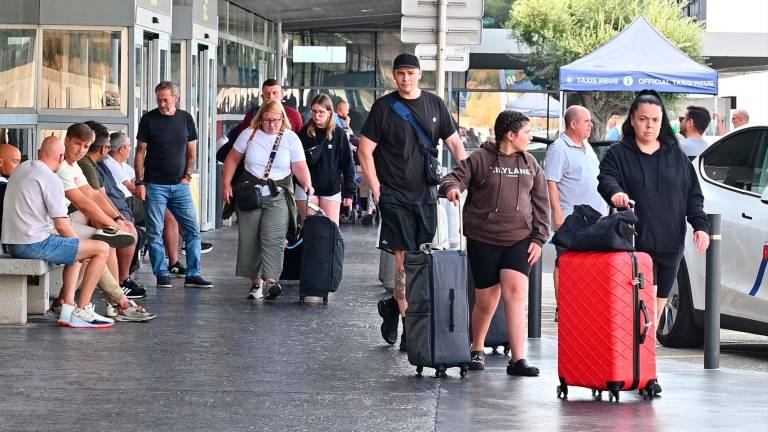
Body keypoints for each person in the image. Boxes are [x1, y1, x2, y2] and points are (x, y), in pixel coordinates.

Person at [598, 90, 710, 394]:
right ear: (632, 121)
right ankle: (636, 372)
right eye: (644, 119)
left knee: (653, 316)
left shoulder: (676, 157)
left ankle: (644, 372)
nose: (649, 125)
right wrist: (615, 194)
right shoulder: (619, 154)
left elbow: (693, 197)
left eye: (656, 120)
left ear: (664, 123)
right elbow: (606, 179)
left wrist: (699, 227)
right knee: (637, 311)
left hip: (670, 245)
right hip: (635, 248)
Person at [358, 53, 466, 350]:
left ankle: (393, 307)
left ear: (419, 74)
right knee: (404, 260)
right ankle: (410, 328)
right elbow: (364, 151)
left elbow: (455, 143)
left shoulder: (435, 105)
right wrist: (377, 189)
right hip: (394, 195)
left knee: (419, 260)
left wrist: (469, 175)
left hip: (426, 196)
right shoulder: (384, 107)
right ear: (394, 76)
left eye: (410, 73)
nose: (405, 78)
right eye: (400, 73)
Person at [440, 110, 549, 374]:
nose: (530, 136)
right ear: (510, 135)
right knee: (487, 301)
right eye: (526, 132)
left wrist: (539, 238)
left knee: (515, 294)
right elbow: (452, 177)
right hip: (484, 238)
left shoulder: (530, 163)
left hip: (519, 239)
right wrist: (452, 189)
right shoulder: (481, 158)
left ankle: (518, 359)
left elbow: (541, 202)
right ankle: (476, 349)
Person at [1, 136, 113, 328]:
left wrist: (76, 248)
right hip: (32, 244)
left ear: (39, 153)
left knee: (77, 250)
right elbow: (61, 224)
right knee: (101, 248)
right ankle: (83, 309)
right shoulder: (50, 178)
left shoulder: (23, 168)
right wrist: (77, 246)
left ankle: (68, 307)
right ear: (61, 157)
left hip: (12, 242)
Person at [222, 100, 313, 300]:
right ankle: (256, 283)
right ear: (260, 119)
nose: (271, 124)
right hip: (250, 193)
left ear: (283, 120)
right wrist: (226, 184)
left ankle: (271, 281)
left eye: (275, 120)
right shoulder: (249, 134)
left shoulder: (290, 138)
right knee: (250, 238)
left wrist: (307, 183)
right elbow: (232, 159)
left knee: (274, 237)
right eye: (267, 120)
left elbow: (299, 165)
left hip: (278, 193)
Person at [135, 80, 213, 289]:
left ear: (175, 98)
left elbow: (192, 153)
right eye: (159, 99)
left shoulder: (186, 119)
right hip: (155, 185)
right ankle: (162, 273)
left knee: (192, 229)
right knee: (154, 230)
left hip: (180, 185)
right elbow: (140, 152)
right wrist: (141, 181)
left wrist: (187, 176)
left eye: (165, 99)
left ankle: (193, 273)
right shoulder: (148, 119)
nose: (161, 103)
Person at [545, 105, 607, 322]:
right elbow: (551, 183)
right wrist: (558, 214)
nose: (591, 124)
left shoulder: (586, 146)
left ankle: (582, 303)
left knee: (588, 263)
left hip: (594, 216)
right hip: (571, 216)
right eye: (587, 121)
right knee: (564, 261)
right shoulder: (559, 148)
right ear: (573, 124)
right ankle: (562, 307)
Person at [297, 94, 355, 224]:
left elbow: (347, 164)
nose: (317, 115)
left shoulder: (339, 134)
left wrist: (350, 192)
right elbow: (296, 161)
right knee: (310, 231)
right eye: (314, 111)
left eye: (321, 112)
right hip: (306, 188)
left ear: (329, 112)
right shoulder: (304, 132)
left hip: (331, 188)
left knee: (330, 230)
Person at [226, 79, 303, 145]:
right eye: (267, 94)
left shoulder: (294, 115)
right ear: (262, 97)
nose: (271, 97)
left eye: (275, 93)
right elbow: (242, 141)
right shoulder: (252, 114)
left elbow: (300, 143)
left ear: (282, 95)